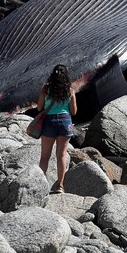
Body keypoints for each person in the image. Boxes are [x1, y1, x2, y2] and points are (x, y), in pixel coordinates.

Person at [36, 64, 77, 192]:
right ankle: (60, 185)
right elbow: (74, 111)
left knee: (44, 157)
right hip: (65, 123)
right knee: (61, 156)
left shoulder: (46, 89)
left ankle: (40, 185)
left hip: (49, 122)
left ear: (52, 75)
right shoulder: (70, 90)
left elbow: (39, 108)